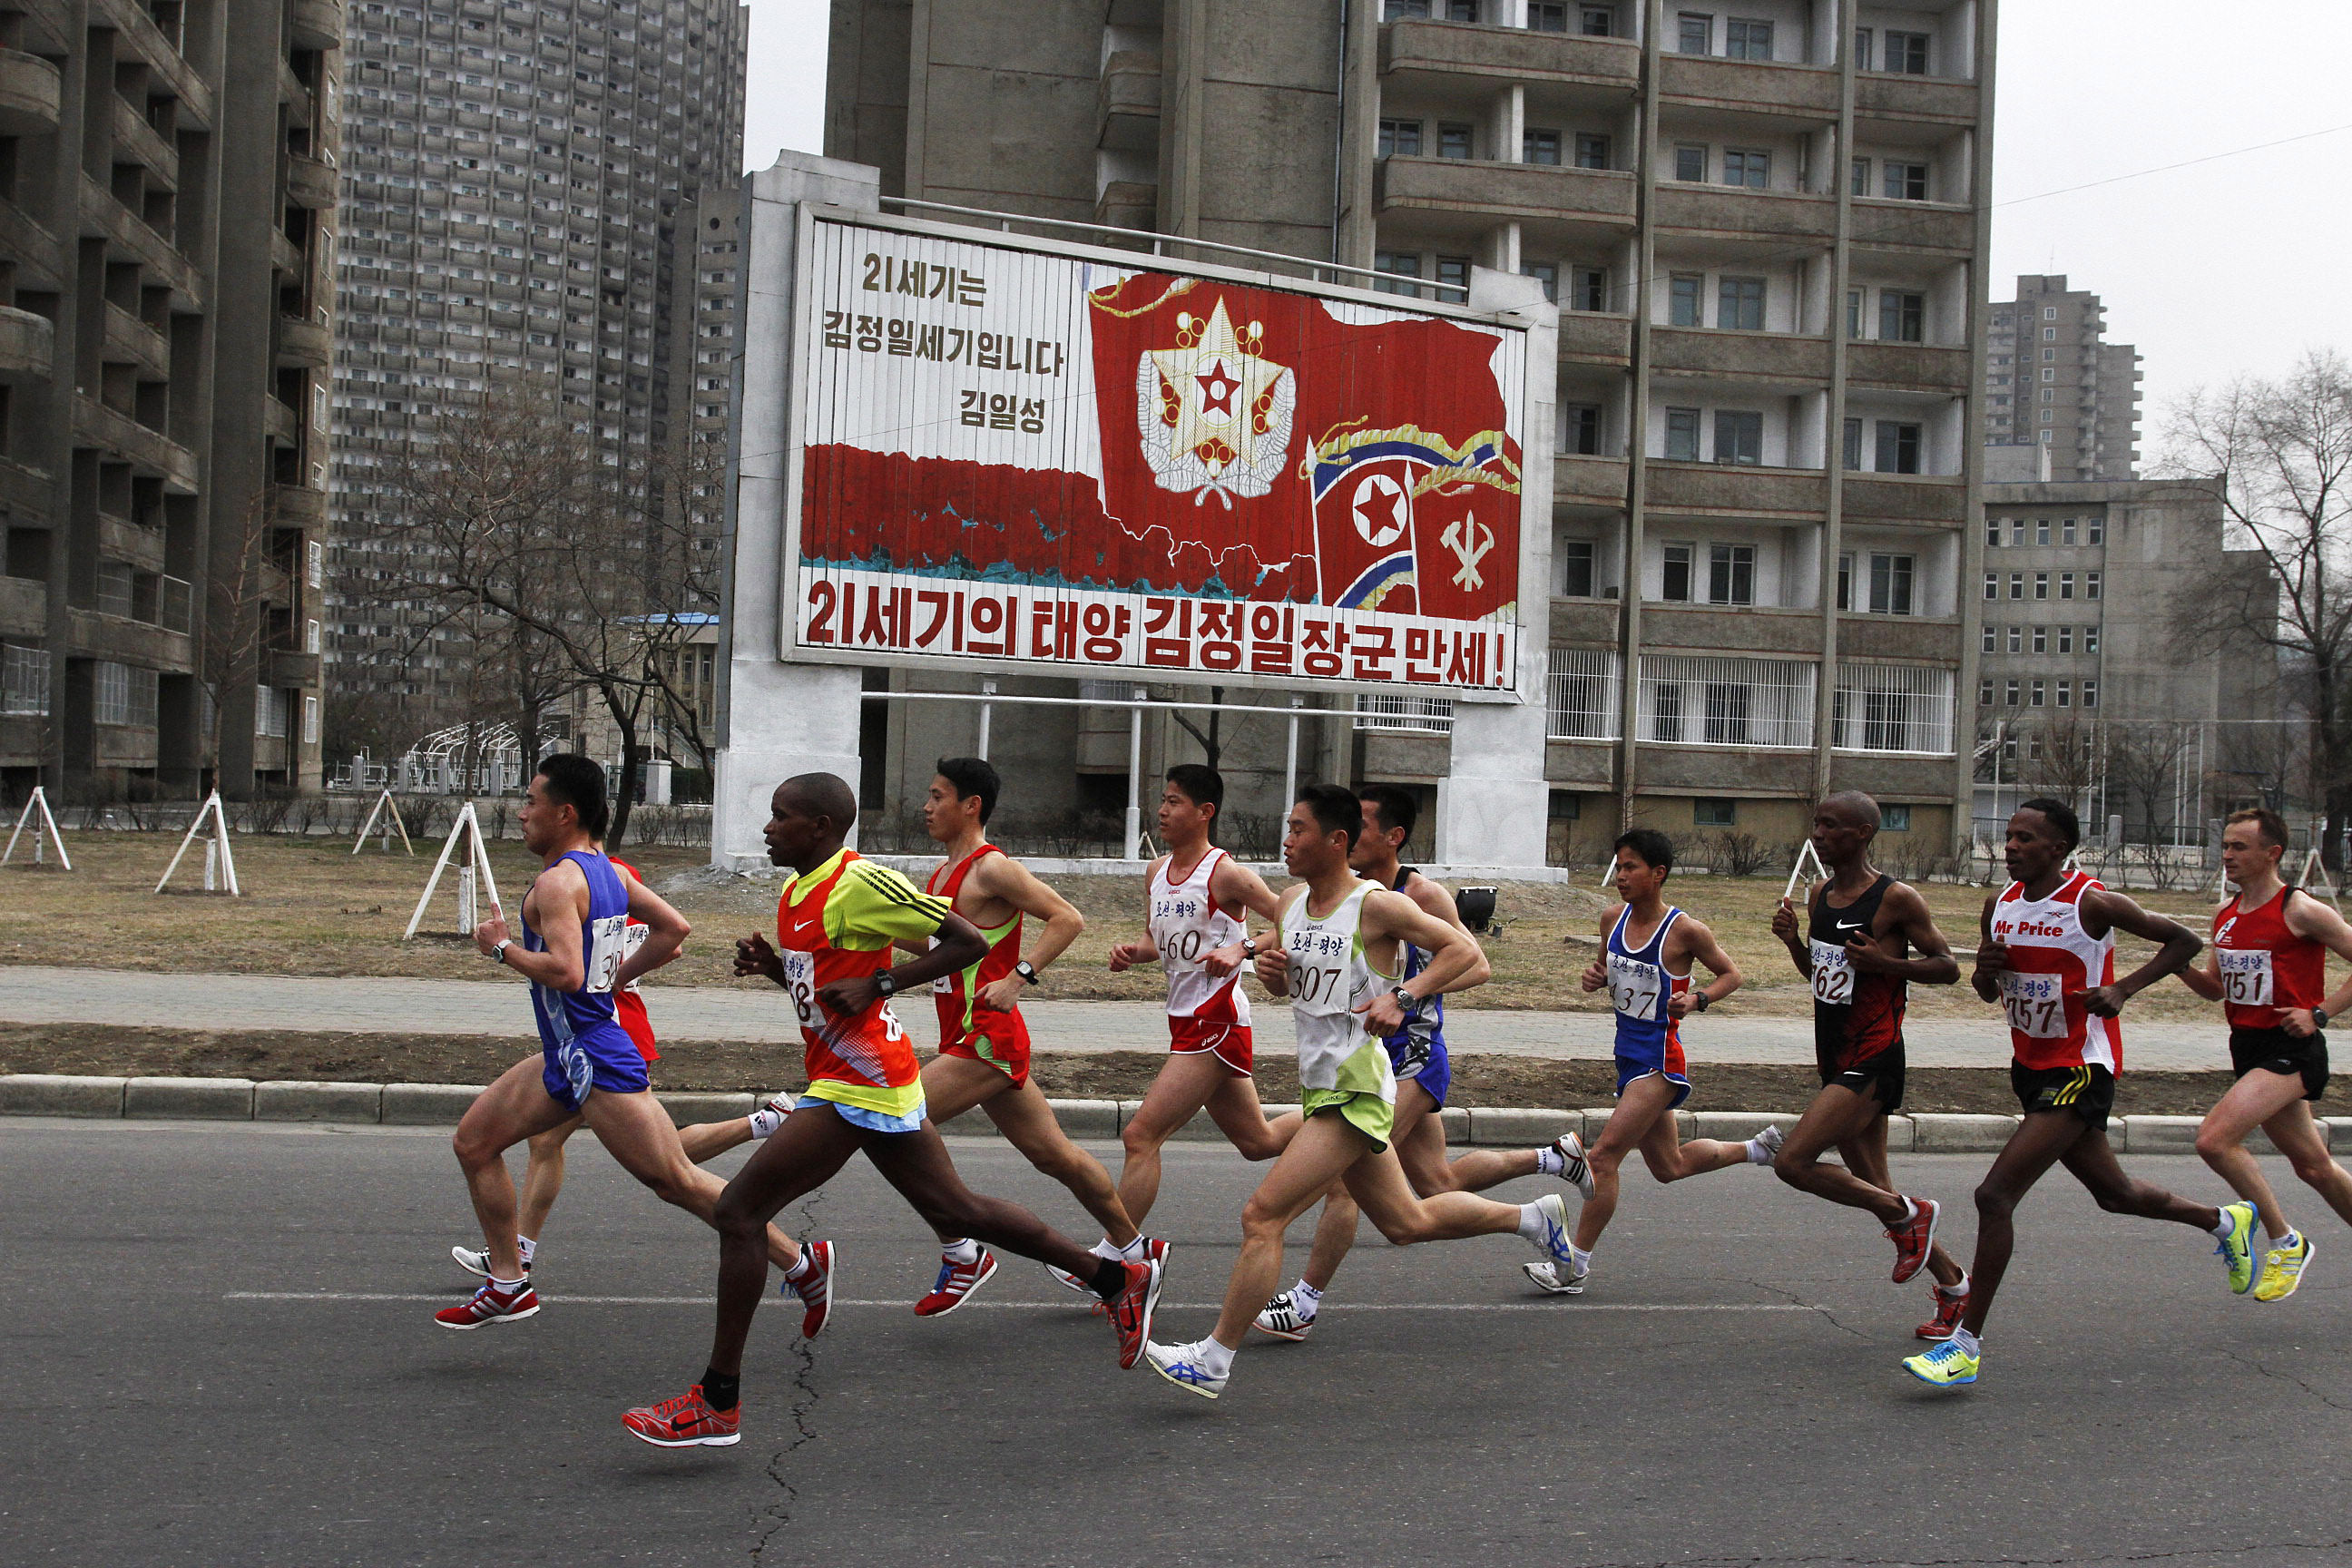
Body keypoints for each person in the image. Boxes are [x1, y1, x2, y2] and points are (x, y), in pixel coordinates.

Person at [622, 773, 1161, 1448]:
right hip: (863, 1078)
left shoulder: (860, 882)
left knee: (738, 1212)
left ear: (819, 826)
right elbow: (823, 980)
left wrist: (881, 982)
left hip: (860, 1083)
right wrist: (773, 969)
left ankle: (717, 1401)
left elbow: (969, 943)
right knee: (959, 1210)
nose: (766, 828)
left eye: (779, 817)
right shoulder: (796, 889)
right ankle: (1117, 1277)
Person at [1143, 784, 1583, 1402]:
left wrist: (1403, 996)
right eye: (1287, 828)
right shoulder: (1292, 903)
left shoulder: (1376, 906)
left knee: (1262, 1215)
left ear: (1336, 841)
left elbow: (1464, 951)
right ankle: (1532, 1219)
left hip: (1359, 1090)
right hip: (1322, 1085)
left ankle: (1215, 1357)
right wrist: (1273, 975)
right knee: (1408, 1220)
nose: (1286, 841)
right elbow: (1293, 984)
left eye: (1298, 830)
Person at [436, 756, 823, 1337]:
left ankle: (800, 1262)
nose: (521, 813)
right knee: (474, 1143)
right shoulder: (608, 872)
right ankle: (508, 1283)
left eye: (531, 802)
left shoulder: (558, 882)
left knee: (677, 1180)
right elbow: (675, 930)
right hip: (569, 1053)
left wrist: (500, 949)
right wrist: (614, 978)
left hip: (594, 1054)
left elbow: (565, 973)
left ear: (564, 813)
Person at [1903, 798, 2257, 1388]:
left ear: (2057, 849)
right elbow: (1991, 994)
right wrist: (1987, 969)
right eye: (2008, 836)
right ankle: (2225, 1222)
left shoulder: (2090, 903)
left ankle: (1965, 1345)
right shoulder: (2001, 905)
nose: (2010, 846)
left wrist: (2123, 989)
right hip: (2031, 1067)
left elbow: (2183, 943)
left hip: (2083, 1067)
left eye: (2024, 838)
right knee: (2114, 1194)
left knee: (1994, 1196)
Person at [1253, 784, 1585, 1342]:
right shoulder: (1337, 893)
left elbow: (1474, 966)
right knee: (1432, 1187)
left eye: (1361, 824)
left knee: (1338, 1182)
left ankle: (1306, 1300)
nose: (1351, 834)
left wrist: (1402, 994)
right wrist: (1254, 955)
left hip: (1410, 1057)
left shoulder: (1418, 896)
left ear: (1392, 837)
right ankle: (1541, 1187)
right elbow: (1296, 937)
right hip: (1360, 1055)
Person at [450, 843, 797, 1283]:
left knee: (671, 1171)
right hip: (584, 1039)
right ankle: (513, 1263)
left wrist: (609, 977)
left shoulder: (597, 878)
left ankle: (773, 1170)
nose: (525, 815)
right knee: (525, 1144)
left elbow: (661, 943)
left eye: (535, 802)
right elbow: (663, 936)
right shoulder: (594, 874)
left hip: (606, 1034)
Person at [899, 757, 1151, 1316]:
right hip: (965, 1036)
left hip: (984, 1039)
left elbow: (1067, 918)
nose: (927, 806)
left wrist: (1021, 977)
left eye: (938, 795)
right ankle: (1137, 1252)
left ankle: (963, 1251)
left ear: (971, 806)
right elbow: (936, 951)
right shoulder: (942, 874)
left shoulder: (992, 869)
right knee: (1054, 1155)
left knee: (895, 1122)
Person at [1524, 828, 1764, 1297]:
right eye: (1619, 866)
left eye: (1631, 867)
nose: (1621, 876)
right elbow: (1604, 971)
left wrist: (1698, 999)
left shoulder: (1685, 931)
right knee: (1668, 1165)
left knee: (1603, 1157)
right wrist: (1595, 978)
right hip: (1626, 1056)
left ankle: (1574, 1263)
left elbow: (1732, 975)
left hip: (1660, 1060)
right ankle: (1757, 1149)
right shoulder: (1611, 920)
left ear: (1658, 873)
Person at [1765, 792, 1970, 1336]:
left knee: (1793, 1163)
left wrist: (1887, 962)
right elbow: (1824, 977)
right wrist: (1793, 946)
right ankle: (1954, 1287)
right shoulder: (1818, 895)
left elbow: (1948, 967)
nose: (1818, 833)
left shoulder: (1895, 899)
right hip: (1832, 1052)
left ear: (1862, 833)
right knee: (1878, 1187)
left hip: (1875, 1054)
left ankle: (1915, 1214)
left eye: (1830, 825)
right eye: (1817, 823)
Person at [1095, 765, 1290, 1259]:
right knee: (1258, 1142)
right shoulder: (1155, 871)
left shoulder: (1226, 873)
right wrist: (1132, 953)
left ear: (1206, 812)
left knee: (1141, 1135)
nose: (1163, 810)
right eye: (1163, 799)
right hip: (1183, 1019)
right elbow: (1153, 940)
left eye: (1175, 801)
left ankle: (1116, 1256)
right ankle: (1343, 1124)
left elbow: (1294, 919)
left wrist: (1243, 950)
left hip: (1217, 1020)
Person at [2181, 807, 2352, 1302]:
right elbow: (2215, 989)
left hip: (2292, 1048)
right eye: (2226, 845)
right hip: (2248, 1046)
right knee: (2315, 1167)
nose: (2227, 855)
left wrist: (2320, 1014)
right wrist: (2175, 965)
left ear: (2271, 853)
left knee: (2214, 1141)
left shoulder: (2301, 909)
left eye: (2239, 847)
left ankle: (2285, 1240)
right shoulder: (2227, 915)